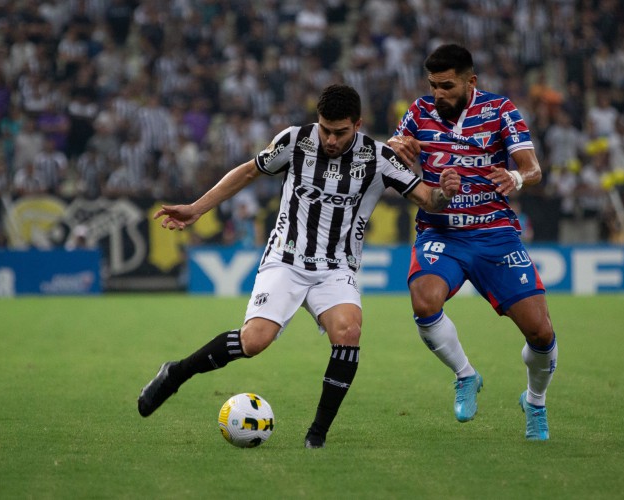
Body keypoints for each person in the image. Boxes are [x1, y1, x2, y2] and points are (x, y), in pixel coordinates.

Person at [138, 84, 460, 448]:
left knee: (349, 332)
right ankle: (175, 373)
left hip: (336, 268)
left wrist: (445, 192)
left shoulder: (379, 157)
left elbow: (428, 200)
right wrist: (196, 208)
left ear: (358, 124)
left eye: (340, 132)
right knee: (254, 341)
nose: (331, 140)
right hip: (285, 261)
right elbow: (247, 172)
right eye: (325, 129)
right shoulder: (295, 141)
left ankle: (317, 435)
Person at [387, 44, 558, 440]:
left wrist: (515, 178)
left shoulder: (500, 110)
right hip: (441, 231)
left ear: (471, 82)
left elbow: (532, 168)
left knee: (541, 333)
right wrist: (398, 150)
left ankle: (535, 402)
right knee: (423, 301)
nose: (439, 94)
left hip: (495, 234)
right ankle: (466, 375)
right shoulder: (418, 112)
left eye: (447, 86)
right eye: (433, 86)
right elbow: (392, 156)